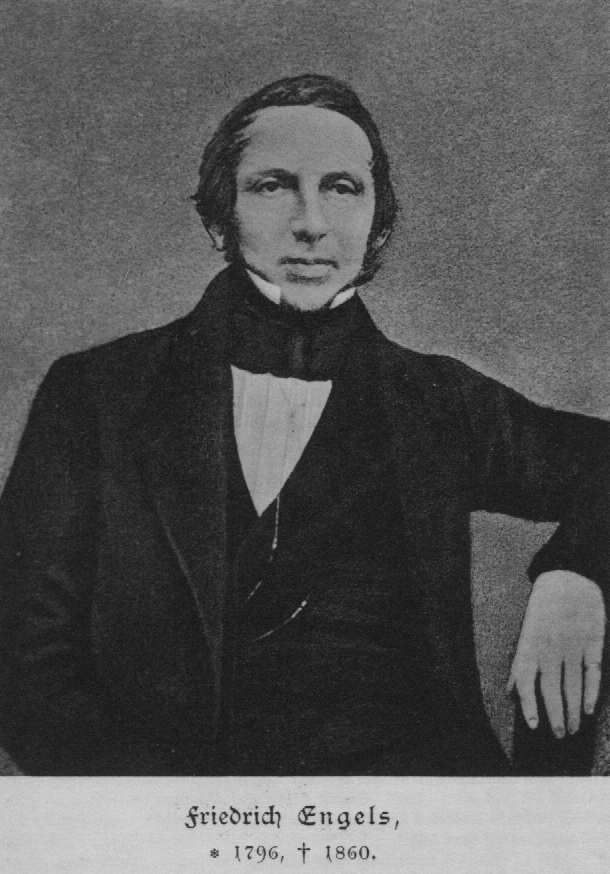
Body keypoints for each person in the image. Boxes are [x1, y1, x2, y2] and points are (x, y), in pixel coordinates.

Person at [0, 74, 607, 776]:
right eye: (273, 186)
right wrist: (154, 813)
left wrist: (575, 572)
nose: (312, 222)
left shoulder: (440, 402)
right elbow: (22, 659)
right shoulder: (98, 394)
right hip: (178, 813)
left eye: (342, 189)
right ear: (219, 218)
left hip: (414, 812)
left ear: (378, 224)